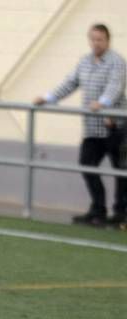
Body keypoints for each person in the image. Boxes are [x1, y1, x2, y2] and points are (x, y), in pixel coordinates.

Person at [34, 24, 127, 226]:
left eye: (100, 39)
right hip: (92, 128)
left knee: (121, 171)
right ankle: (98, 210)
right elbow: (69, 83)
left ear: (108, 41)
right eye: (92, 39)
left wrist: (103, 103)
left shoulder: (117, 62)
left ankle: (121, 214)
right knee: (87, 165)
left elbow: (115, 87)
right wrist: (47, 98)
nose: (96, 43)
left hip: (116, 127)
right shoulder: (84, 62)